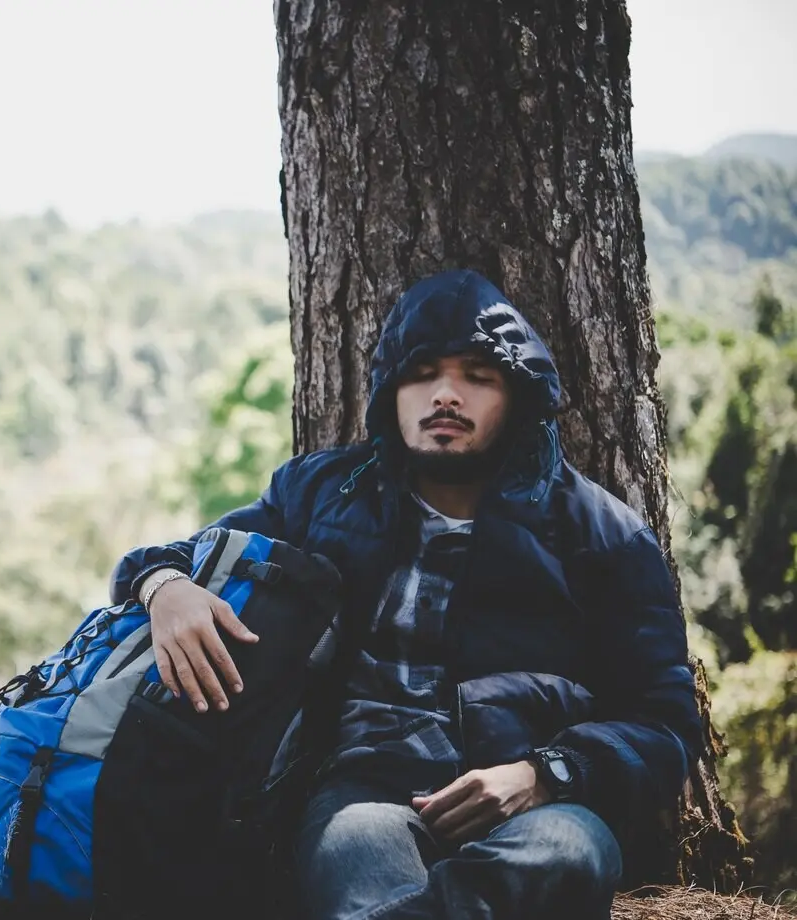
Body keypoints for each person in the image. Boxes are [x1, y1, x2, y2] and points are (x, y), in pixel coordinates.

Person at [110, 269, 703, 920]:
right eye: (422, 374)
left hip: (533, 803)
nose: (445, 393)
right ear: (391, 391)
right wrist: (166, 587)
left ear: (517, 396)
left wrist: (545, 774)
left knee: (567, 855)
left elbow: (664, 723)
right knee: (356, 862)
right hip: (363, 796)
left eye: (478, 376)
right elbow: (169, 557)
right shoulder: (319, 496)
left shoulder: (603, 536)